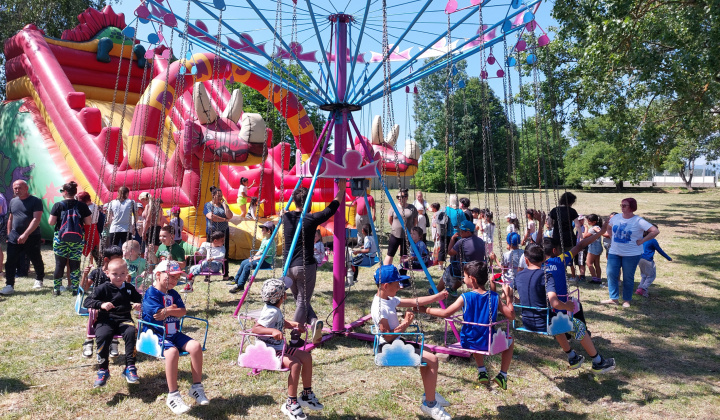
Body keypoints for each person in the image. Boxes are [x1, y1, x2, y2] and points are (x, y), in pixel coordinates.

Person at [515, 243, 616, 374]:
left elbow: (509, 294)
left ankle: (572, 357)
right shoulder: (546, 276)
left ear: (526, 260)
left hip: (527, 322)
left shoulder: (518, 276)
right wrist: (567, 306)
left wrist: (517, 300)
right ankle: (598, 362)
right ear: (544, 260)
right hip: (544, 323)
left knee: (558, 323)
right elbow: (554, 303)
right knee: (578, 326)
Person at [371, 265, 451, 420]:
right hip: (388, 349)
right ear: (386, 286)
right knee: (432, 360)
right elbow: (387, 336)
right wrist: (406, 323)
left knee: (427, 355)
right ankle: (430, 403)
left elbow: (415, 301)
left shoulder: (388, 298)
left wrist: (437, 297)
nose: (400, 287)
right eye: (397, 284)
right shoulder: (380, 308)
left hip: (394, 343)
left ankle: (429, 392)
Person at [422, 261, 515, 390]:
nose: (463, 279)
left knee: (476, 335)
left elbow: (445, 313)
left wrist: (425, 310)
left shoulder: (465, 297)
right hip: (488, 342)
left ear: (472, 279)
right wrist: (509, 297)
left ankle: (482, 369)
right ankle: (502, 374)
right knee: (509, 340)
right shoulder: (494, 297)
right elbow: (511, 315)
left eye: (465, 277)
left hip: (468, 341)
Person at [282, 179, 346, 344]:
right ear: (309, 203)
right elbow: (332, 207)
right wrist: (342, 188)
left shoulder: (286, 218)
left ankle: (313, 322)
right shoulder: (310, 219)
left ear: (294, 202)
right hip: (305, 266)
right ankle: (295, 338)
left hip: (288, 266)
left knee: (300, 301)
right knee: (303, 301)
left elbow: (284, 212)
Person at [142, 260, 209, 414]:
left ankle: (196, 387)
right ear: (158, 275)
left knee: (195, 346)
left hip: (173, 333)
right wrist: (172, 309)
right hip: (154, 333)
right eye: (170, 277)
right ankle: (173, 395)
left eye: (177, 278)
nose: (173, 281)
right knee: (172, 352)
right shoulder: (151, 293)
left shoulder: (174, 293)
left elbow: (182, 311)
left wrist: (170, 310)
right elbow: (157, 315)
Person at [252, 278, 325, 420]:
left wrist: (295, 325)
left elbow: (281, 323)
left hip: (279, 347)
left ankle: (306, 394)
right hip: (270, 350)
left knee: (306, 357)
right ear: (282, 297)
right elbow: (257, 328)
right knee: (295, 364)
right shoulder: (271, 312)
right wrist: (272, 332)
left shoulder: (274, 310)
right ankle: (290, 403)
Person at [83, 259, 142, 387]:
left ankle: (130, 367)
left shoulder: (129, 288)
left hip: (124, 319)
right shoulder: (102, 288)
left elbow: (139, 299)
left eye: (122, 274)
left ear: (127, 274)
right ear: (107, 273)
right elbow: (87, 302)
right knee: (103, 336)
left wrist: (138, 304)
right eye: (115, 274)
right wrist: (101, 304)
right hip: (105, 320)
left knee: (132, 332)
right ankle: (103, 369)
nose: (119, 277)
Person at [602, 198, 659, 307]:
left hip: (632, 254)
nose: (622, 207)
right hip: (614, 251)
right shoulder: (616, 217)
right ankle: (613, 298)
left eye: (625, 205)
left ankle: (626, 300)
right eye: (621, 205)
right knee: (611, 273)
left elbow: (655, 231)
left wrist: (642, 241)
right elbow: (609, 227)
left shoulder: (638, 220)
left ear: (632, 207)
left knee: (628, 277)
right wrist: (611, 237)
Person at [79, 245, 125, 358]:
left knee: (117, 313)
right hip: (98, 302)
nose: (120, 262)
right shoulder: (96, 273)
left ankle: (114, 343)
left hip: (113, 302)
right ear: (106, 260)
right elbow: (84, 288)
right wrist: (85, 275)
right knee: (93, 313)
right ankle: (89, 341)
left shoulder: (119, 273)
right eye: (117, 259)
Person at [0, 180, 45, 295]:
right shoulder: (13, 201)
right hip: (14, 237)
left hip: (32, 236)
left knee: (35, 259)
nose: (17, 190)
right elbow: (10, 218)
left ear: (26, 188)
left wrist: (26, 234)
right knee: (10, 261)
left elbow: (36, 219)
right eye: (15, 188)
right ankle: (9, 284)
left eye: (19, 188)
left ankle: (39, 279)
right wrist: (9, 234)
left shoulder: (36, 201)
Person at [48, 181, 92, 295]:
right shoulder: (82, 206)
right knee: (75, 264)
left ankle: (56, 289)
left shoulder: (58, 205)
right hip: (77, 239)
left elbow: (51, 222)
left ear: (65, 192)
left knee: (59, 264)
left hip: (60, 238)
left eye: (62, 191)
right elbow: (88, 222)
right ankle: (75, 289)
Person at [438, 220, 486, 295]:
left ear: (468, 232)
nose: (460, 232)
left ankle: (436, 290)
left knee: (451, 269)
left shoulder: (462, 241)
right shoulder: (481, 241)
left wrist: (452, 239)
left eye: (462, 231)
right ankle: (453, 289)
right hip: (478, 268)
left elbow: (450, 252)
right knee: (463, 271)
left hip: (466, 269)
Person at [230, 222, 276, 293]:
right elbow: (260, 251)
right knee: (243, 262)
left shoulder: (271, 242)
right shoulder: (264, 240)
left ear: (269, 231)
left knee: (248, 266)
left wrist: (255, 259)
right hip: (260, 259)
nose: (261, 231)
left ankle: (240, 286)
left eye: (263, 229)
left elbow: (266, 255)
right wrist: (253, 257)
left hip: (266, 262)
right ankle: (236, 280)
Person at [203, 186, 232, 279]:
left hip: (224, 232)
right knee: (210, 252)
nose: (220, 198)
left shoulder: (223, 205)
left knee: (224, 252)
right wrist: (224, 219)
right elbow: (211, 217)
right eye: (218, 196)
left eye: (221, 196)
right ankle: (207, 274)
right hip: (213, 232)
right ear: (213, 195)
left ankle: (225, 274)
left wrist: (225, 206)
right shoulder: (208, 205)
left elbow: (230, 216)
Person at [636, 225, 671, 298]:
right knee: (651, 275)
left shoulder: (640, 238)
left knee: (644, 275)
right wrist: (668, 258)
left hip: (639, 259)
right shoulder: (653, 241)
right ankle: (643, 289)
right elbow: (660, 250)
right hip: (648, 260)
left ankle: (639, 288)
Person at [384, 188, 418, 266]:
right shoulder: (394, 207)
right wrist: (396, 227)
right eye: (398, 197)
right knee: (390, 254)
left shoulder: (412, 208)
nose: (399, 198)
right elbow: (390, 219)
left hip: (407, 236)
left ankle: (402, 273)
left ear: (406, 197)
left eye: (402, 197)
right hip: (395, 235)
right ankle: (386, 272)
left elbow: (415, 220)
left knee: (404, 255)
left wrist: (411, 229)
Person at [77, 191, 104, 266]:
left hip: (89, 228)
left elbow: (86, 220)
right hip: (93, 228)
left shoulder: (88, 208)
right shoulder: (94, 205)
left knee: (92, 248)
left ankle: (100, 266)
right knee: (94, 249)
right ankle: (98, 265)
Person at [440, 194, 469, 263]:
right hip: (455, 234)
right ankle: (453, 263)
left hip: (444, 232)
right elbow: (464, 222)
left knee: (443, 249)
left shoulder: (444, 209)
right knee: (454, 250)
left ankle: (440, 265)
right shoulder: (460, 211)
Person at [584, 214, 604, 284]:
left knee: (588, 263)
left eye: (589, 221)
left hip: (593, 248)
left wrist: (586, 228)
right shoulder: (597, 227)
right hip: (598, 247)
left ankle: (594, 278)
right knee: (596, 264)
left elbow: (585, 236)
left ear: (594, 222)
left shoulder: (593, 229)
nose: (588, 222)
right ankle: (598, 279)